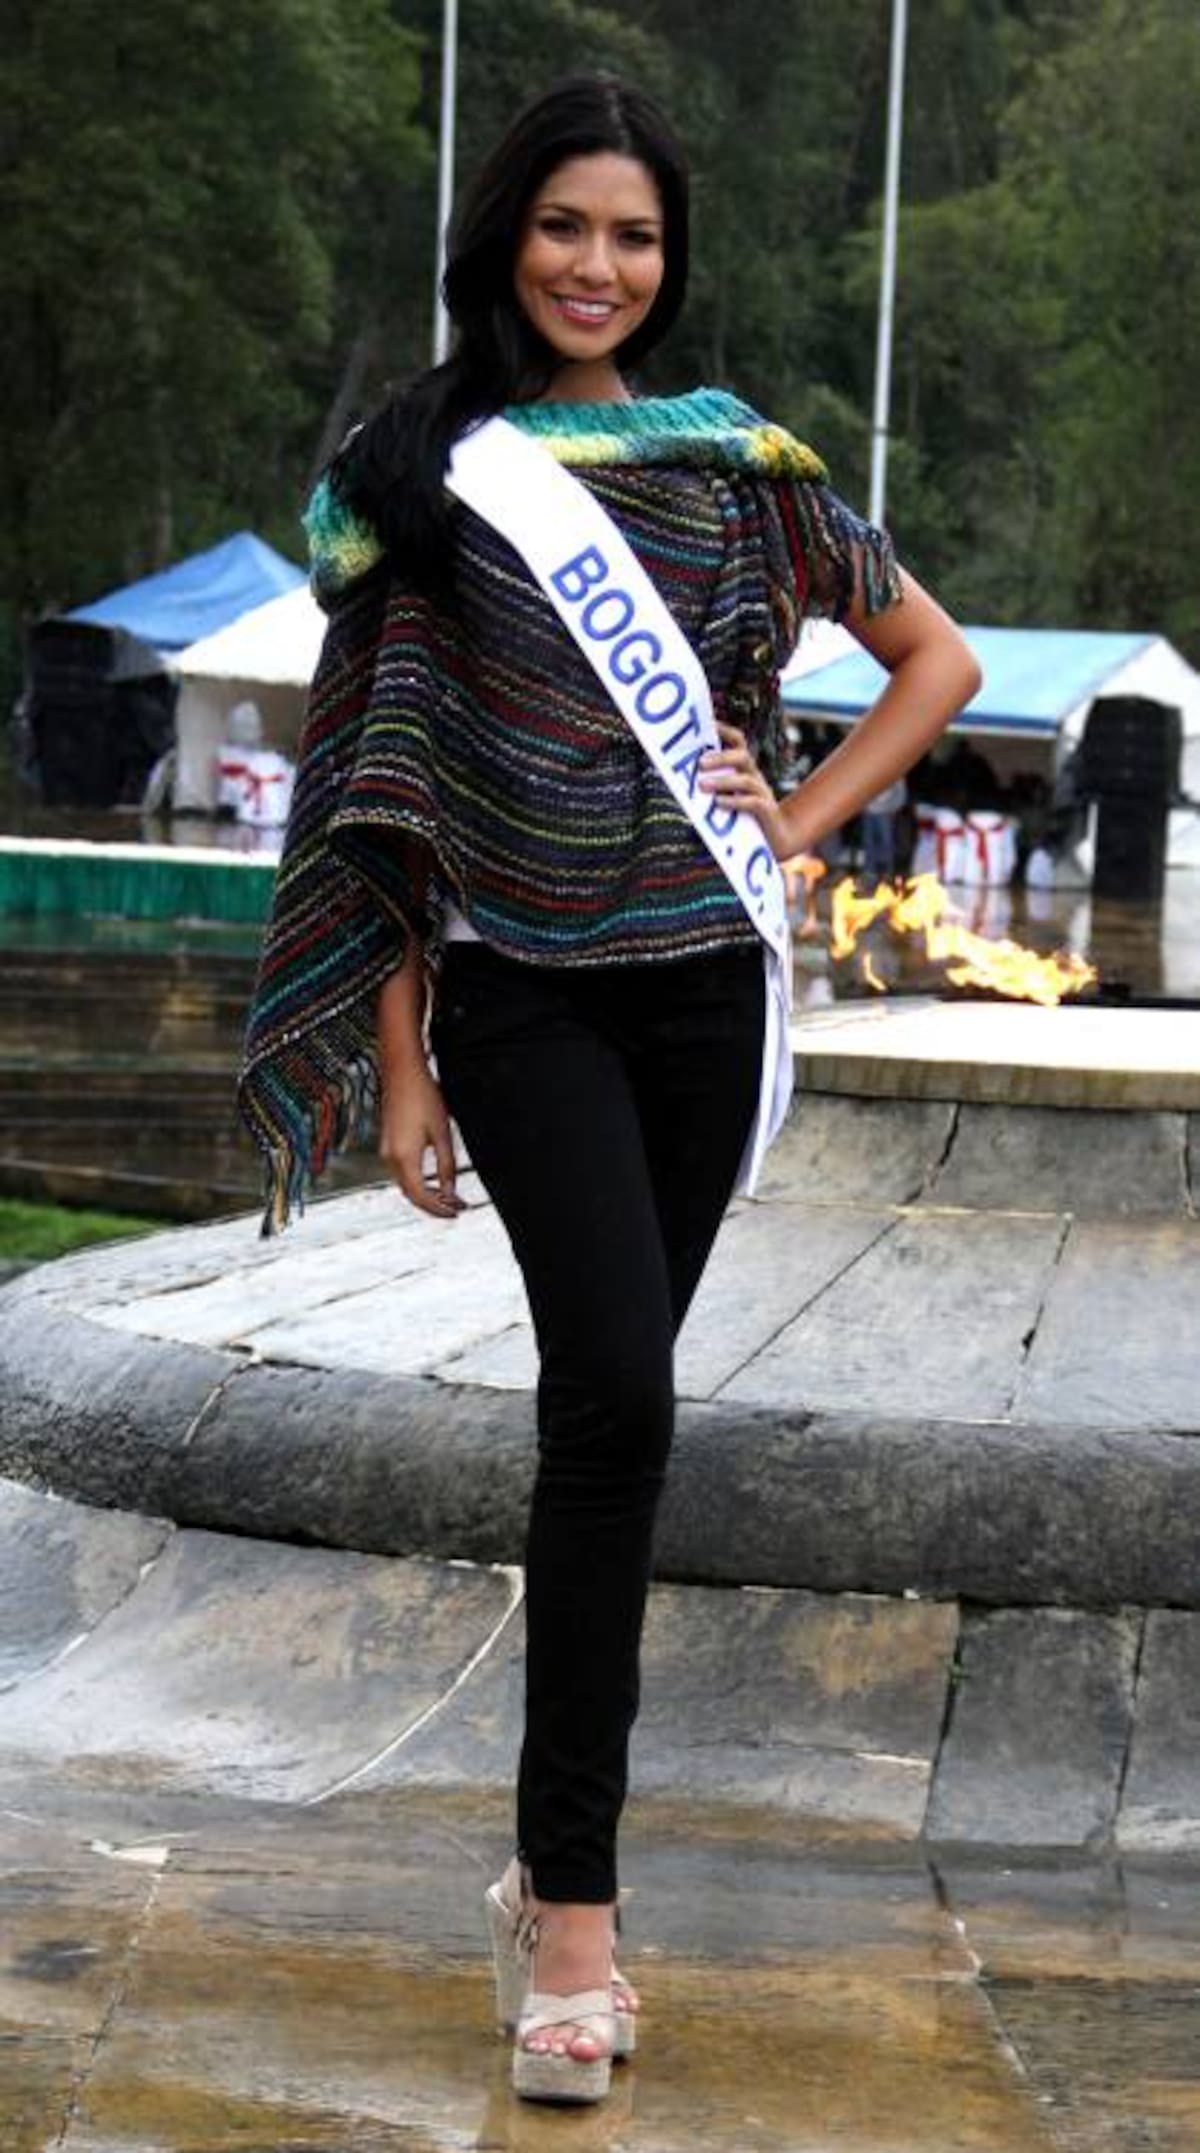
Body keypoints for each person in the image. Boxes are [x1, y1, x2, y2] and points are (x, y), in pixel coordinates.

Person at [239, 73, 980, 2108]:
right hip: (518, 995)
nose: (598, 266)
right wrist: (396, 1060)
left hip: (704, 987)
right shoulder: (425, 467)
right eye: (566, 227)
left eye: (633, 236)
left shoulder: (744, 465)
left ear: (670, 262)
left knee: (616, 1426)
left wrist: (802, 816)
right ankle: (576, 1914)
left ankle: (546, 1875)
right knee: (619, 1407)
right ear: (507, 239)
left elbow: (940, 664)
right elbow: (377, 787)